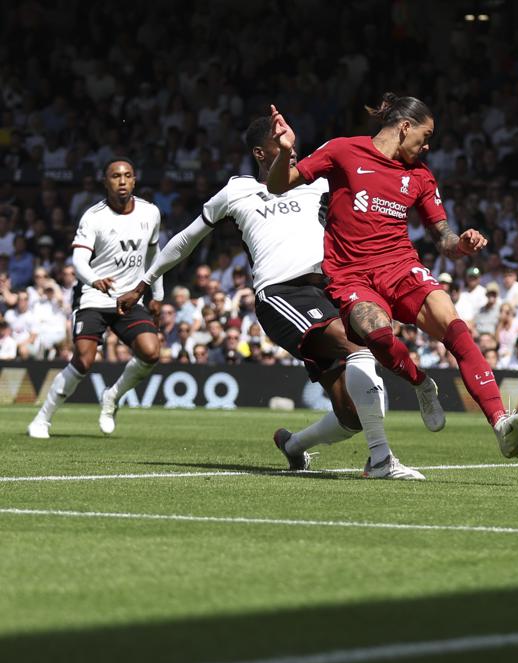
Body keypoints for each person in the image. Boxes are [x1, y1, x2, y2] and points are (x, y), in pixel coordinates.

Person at [118, 117, 439, 480]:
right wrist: (144, 283)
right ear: (260, 152)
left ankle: (293, 445)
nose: (292, 147)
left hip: (328, 292)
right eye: (281, 141)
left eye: (293, 139)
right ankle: (381, 460)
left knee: (351, 415)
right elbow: (185, 240)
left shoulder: (315, 180)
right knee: (360, 346)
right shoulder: (236, 191)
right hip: (281, 294)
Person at [267, 93, 518, 458]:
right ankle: (421, 383)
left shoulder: (420, 176)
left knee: (455, 327)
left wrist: (462, 243)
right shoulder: (344, 151)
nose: (426, 146)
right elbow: (278, 184)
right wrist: (285, 150)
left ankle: (501, 423)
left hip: (401, 267)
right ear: (404, 127)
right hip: (351, 275)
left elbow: (443, 237)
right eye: (425, 136)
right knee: (377, 334)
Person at [28, 158, 164, 438]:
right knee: (84, 360)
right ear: (106, 182)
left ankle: (112, 397)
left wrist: (157, 294)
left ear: (135, 180)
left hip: (129, 299)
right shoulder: (93, 217)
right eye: (116, 176)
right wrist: (93, 279)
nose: (122, 181)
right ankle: (43, 419)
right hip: (93, 295)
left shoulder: (151, 213)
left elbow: (154, 255)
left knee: (151, 351)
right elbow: (78, 260)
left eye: (127, 175)